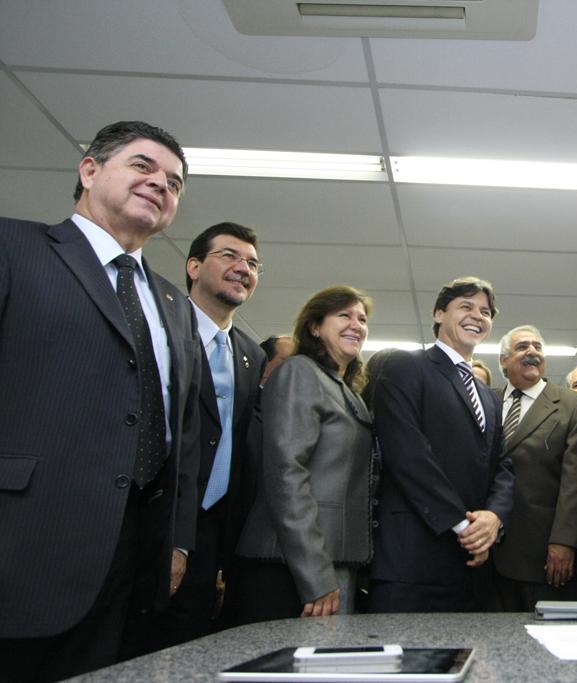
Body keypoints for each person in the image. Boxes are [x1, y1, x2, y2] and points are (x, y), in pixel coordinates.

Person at [0, 121, 201, 681]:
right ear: (89, 171)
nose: (161, 184)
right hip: (23, 542)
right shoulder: (13, 247)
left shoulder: (174, 304)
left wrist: (179, 543)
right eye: (142, 166)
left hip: (135, 562)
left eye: (174, 183)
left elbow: (184, 436)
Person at [123, 222, 266, 655]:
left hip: (215, 531)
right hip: (151, 519)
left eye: (253, 263)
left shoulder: (252, 353)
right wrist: (172, 535)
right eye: (229, 256)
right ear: (194, 266)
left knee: (193, 646)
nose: (243, 268)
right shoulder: (157, 326)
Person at [368, 277, 514, 612]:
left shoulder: (489, 397)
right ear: (438, 313)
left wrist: (494, 517)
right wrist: (464, 527)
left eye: (485, 312)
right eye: (466, 306)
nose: (477, 316)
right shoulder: (405, 367)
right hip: (412, 561)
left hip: (472, 565)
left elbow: (503, 465)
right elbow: (408, 456)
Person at [234, 286, 376, 620]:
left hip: (331, 560)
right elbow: (287, 473)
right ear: (314, 326)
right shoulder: (300, 371)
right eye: (344, 315)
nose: (356, 325)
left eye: (362, 319)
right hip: (292, 566)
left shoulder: (347, 391)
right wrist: (315, 573)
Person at [489, 326, 577, 610]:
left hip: (542, 553)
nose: (532, 352)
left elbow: (576, 481)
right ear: (503, 360)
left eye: (537, 347)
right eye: (522, 347)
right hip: (486, 552)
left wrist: (564, 542)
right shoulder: (488, 401)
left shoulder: (573, 405)